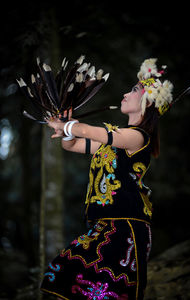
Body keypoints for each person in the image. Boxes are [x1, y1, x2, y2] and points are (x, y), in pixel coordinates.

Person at [40, 58, 173, 300]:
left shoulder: (138, 138)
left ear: (148, 102)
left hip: (127, 227)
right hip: (104, 225)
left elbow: (89, 132)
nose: (126, 92)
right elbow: (73, 145)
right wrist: (67, 130)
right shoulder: (116, 138)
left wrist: (70, 126)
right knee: (65, 273)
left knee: (110, 292)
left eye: (134, 90)